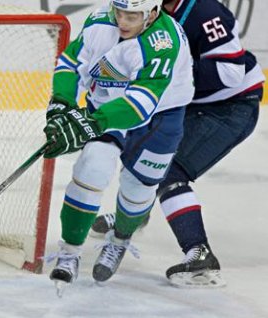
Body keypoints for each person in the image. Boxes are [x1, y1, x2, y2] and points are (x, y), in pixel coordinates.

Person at [90, 0, 265, 288]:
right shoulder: (153, 13)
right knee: (142, 155)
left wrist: (171, 74)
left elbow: (230, 72)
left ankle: (200, 255)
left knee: (169, 172)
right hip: (192, 105)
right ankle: (137, 213)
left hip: (230, 108)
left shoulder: (205, 11)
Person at [42, 0, 194, 286]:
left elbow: (141, 103)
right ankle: (70, 252)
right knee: (91, 170)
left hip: (159, 118)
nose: (123, 21)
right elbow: (70, 62)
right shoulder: (99, 21)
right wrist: (61, 103)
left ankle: (120, 240)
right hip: (107, 105)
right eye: (119, 12)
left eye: (132, 15)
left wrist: (92, 123)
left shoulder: (163, 42)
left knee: (138, 188)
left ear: (152, 13)